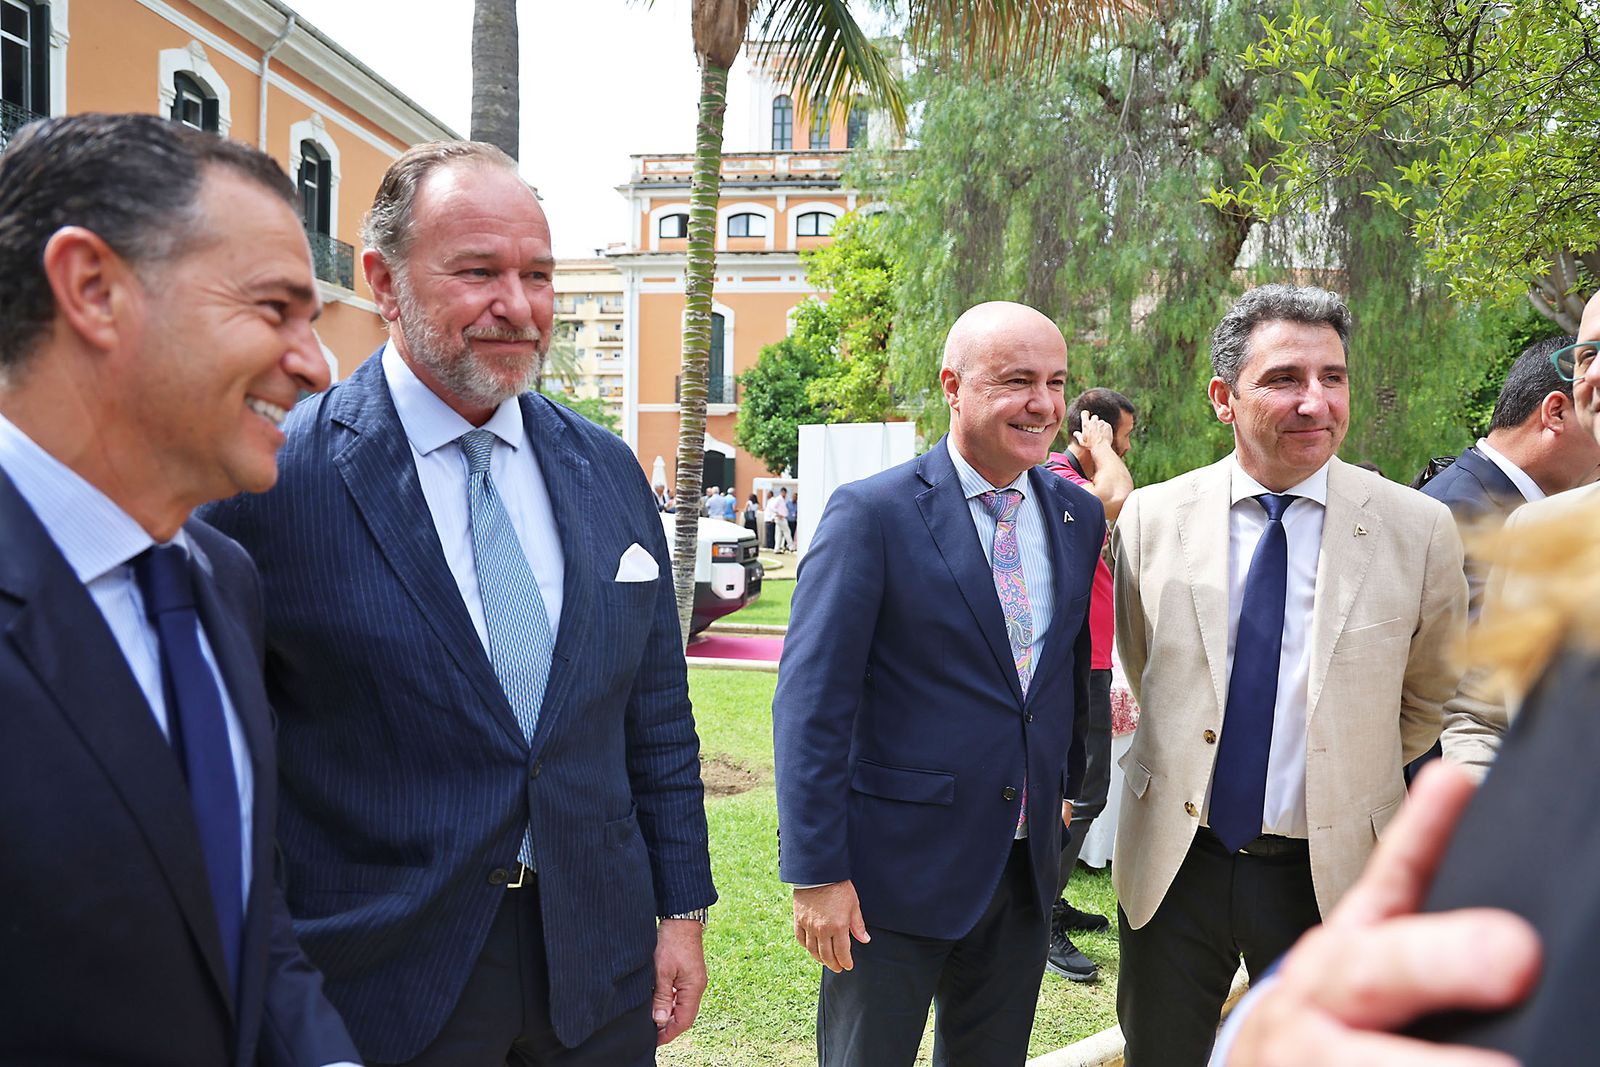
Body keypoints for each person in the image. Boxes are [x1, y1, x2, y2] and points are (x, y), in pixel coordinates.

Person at [200, 141, 716, 1067]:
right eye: (478, 271)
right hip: (381, 978)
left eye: (538, 275)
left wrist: (680, 911)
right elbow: (227, 767)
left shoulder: (605, 470)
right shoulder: (273, 477)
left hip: (596, 968)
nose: (517, 306)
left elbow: (656, 717)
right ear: (383, 281)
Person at [0, 113, 358, 1065]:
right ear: (92, 289)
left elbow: (244, 918)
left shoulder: (219, 578)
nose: (316, 366)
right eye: (273, 309)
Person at [1110, 283, 1468, 1065]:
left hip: (1329, 868)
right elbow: (1148, 666)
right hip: (1177, 862)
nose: (1315, 401)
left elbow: (1425, 702)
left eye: (1332, 377)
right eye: (1284, 379)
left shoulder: (1417, 528)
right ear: (1222, 398)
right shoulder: (1150, 518)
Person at [773, 301, 1105, 1066]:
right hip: (891, 878)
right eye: (1018, 380)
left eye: (1056, 382)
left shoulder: (1075, 515)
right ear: (953, 386)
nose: (1044, 404)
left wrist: (1062, 789)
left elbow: (1062, 669)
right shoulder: (873, 513)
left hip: (1023, 870)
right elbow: (811, 703)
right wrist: (818, 873)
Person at [1041, 387, 1137, 983]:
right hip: (1075, 660)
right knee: (1082, 792)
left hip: (1094, 656)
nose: (1127, 445)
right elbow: (1117, 496)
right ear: (1093, 430)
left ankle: (1050, 899)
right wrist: (1103, 448)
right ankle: (1040, 913)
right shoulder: (1057, 478)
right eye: (1121, 432)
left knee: (1084, 789)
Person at [769, 488, 795, 552]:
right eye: (784, 493)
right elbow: (772, 507)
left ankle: (777, 549)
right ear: (782, 492)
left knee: (778, 534)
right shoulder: (778, 499)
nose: (785, 494)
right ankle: (791, 547)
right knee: (787, 531)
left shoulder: (782, 500)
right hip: (780, 518)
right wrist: (778, 514)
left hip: (781, 518)